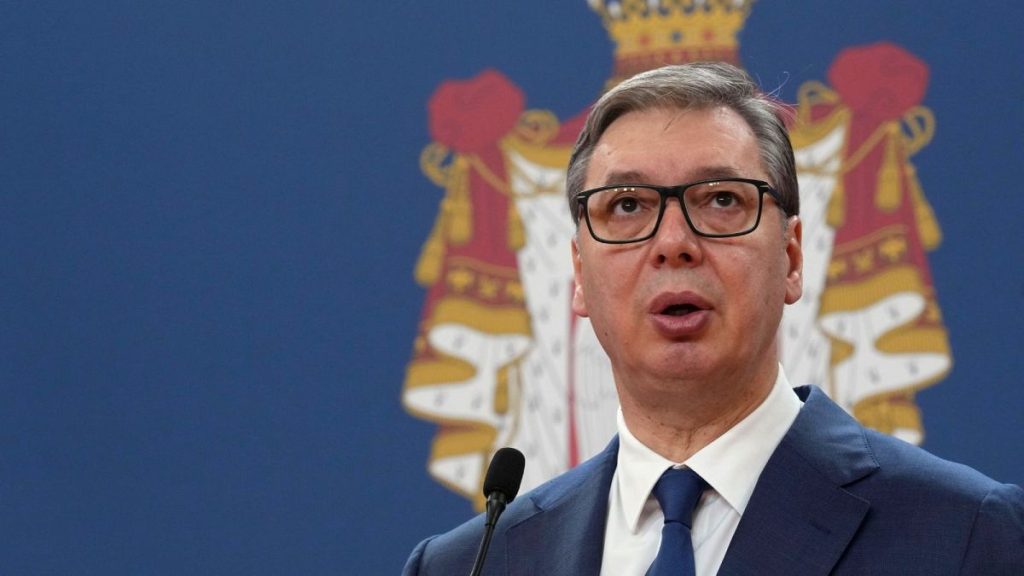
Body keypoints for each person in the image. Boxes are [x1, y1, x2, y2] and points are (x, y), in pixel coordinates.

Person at [402, 62, 1024, 575]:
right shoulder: (469, 564)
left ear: (791, 258)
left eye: (721, 200)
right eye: (627, 205)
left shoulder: (965, 534)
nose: (673, 242)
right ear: (579, 274)